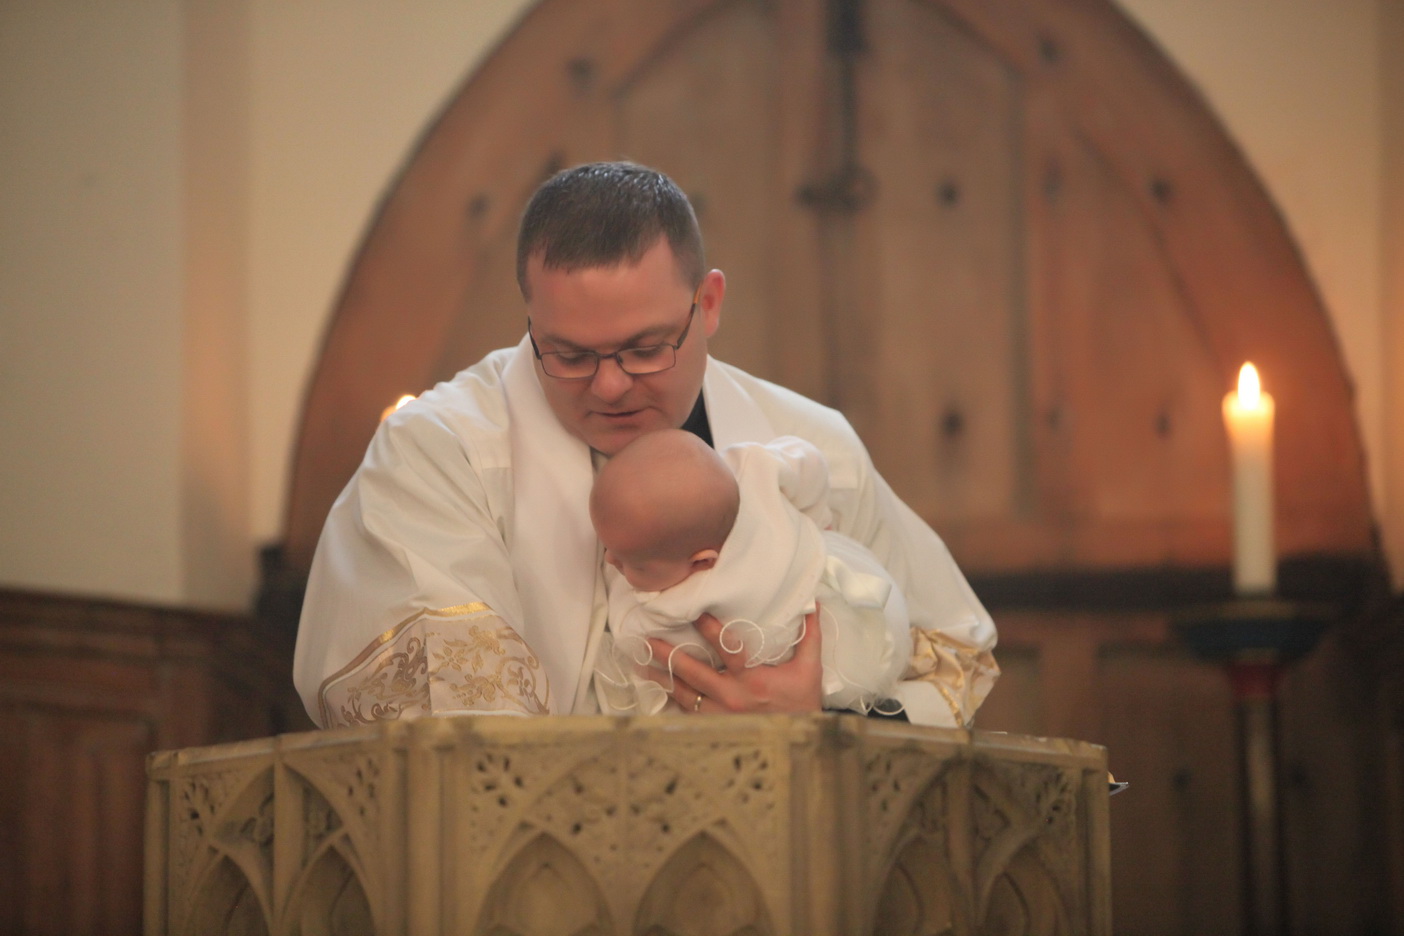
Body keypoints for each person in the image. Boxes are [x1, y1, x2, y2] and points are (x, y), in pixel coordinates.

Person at [293, 161, 998, 728]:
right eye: (567, 353)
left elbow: (952, 658)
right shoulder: (438, 454)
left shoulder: (814, 446)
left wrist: (822, 715)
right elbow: (449, 731)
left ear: (709, 304)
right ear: (530, 320)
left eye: (644, 348)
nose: (608, 386)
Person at [589, 429, 909, 716]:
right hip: (858, 581)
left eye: (637, 564)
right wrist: (813, 518)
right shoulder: (750, 468)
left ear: (701, 563)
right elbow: (808, 463)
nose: (611, 561)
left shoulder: (678, 608)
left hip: (833, 649)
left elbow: (636, 642)